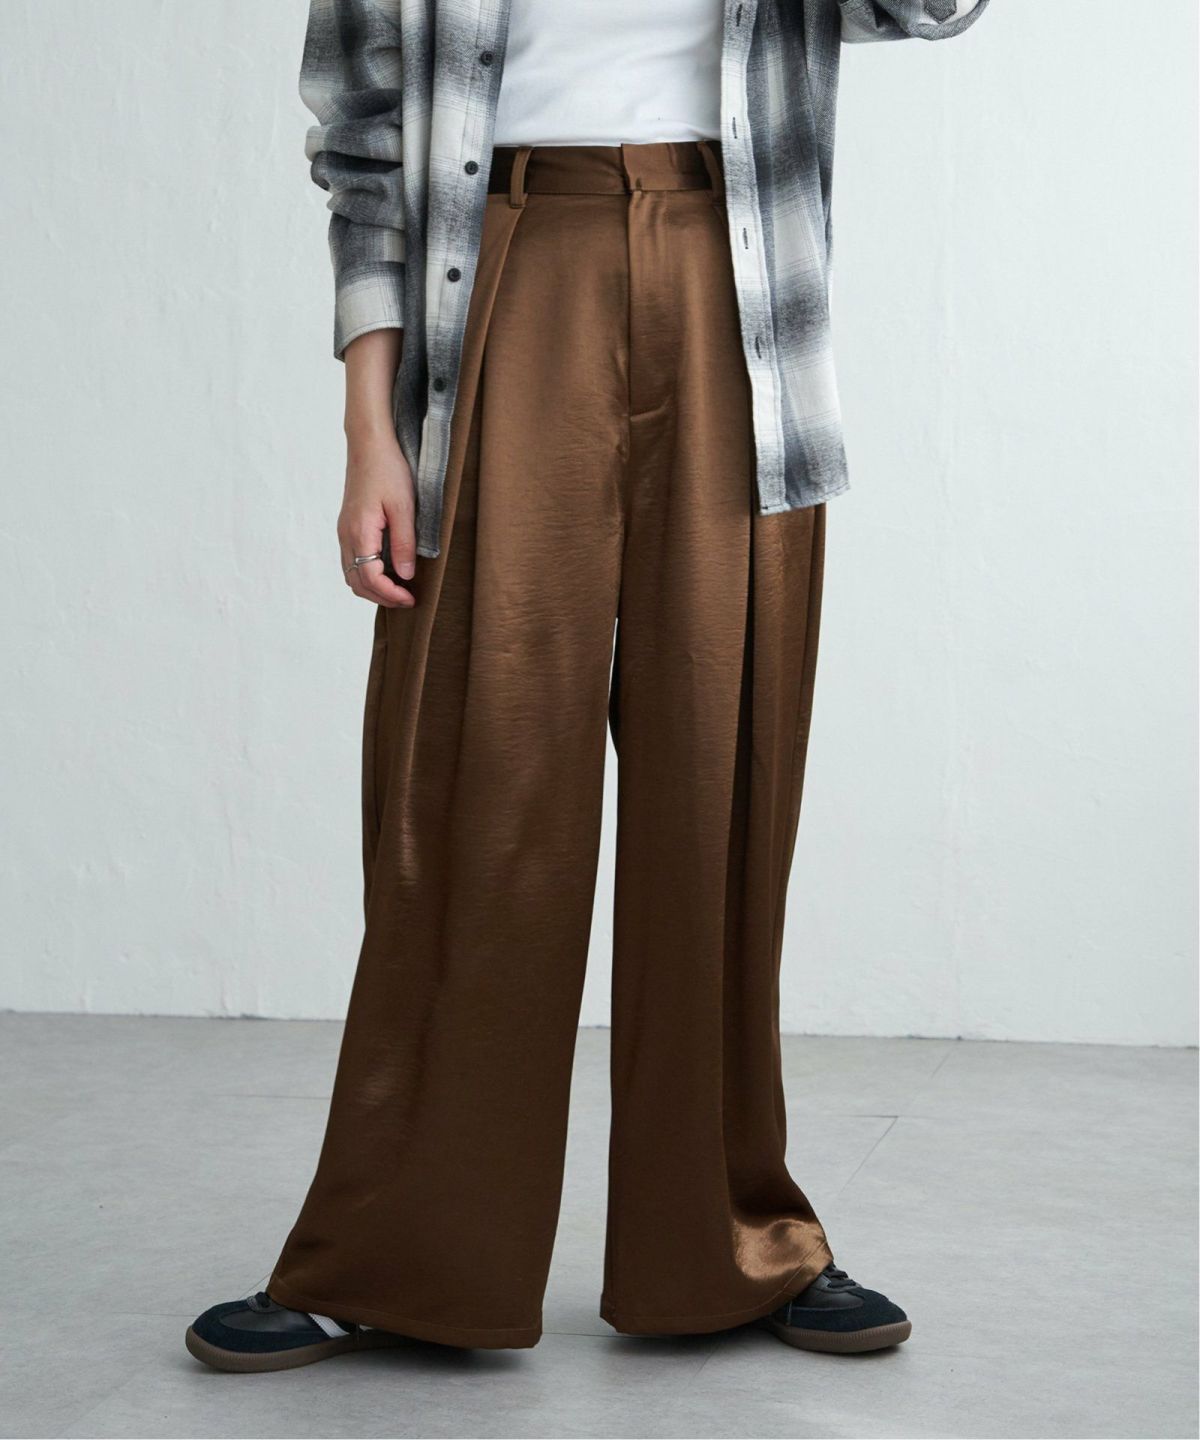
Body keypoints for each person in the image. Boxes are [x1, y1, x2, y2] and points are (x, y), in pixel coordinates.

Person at [186, 0, 989, 1373]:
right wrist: (370, 432)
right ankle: (396, 1256)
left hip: (736, 284)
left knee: (717, 790)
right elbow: (365, 140)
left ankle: (733, 1245)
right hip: (502, 275)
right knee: (473, 782)